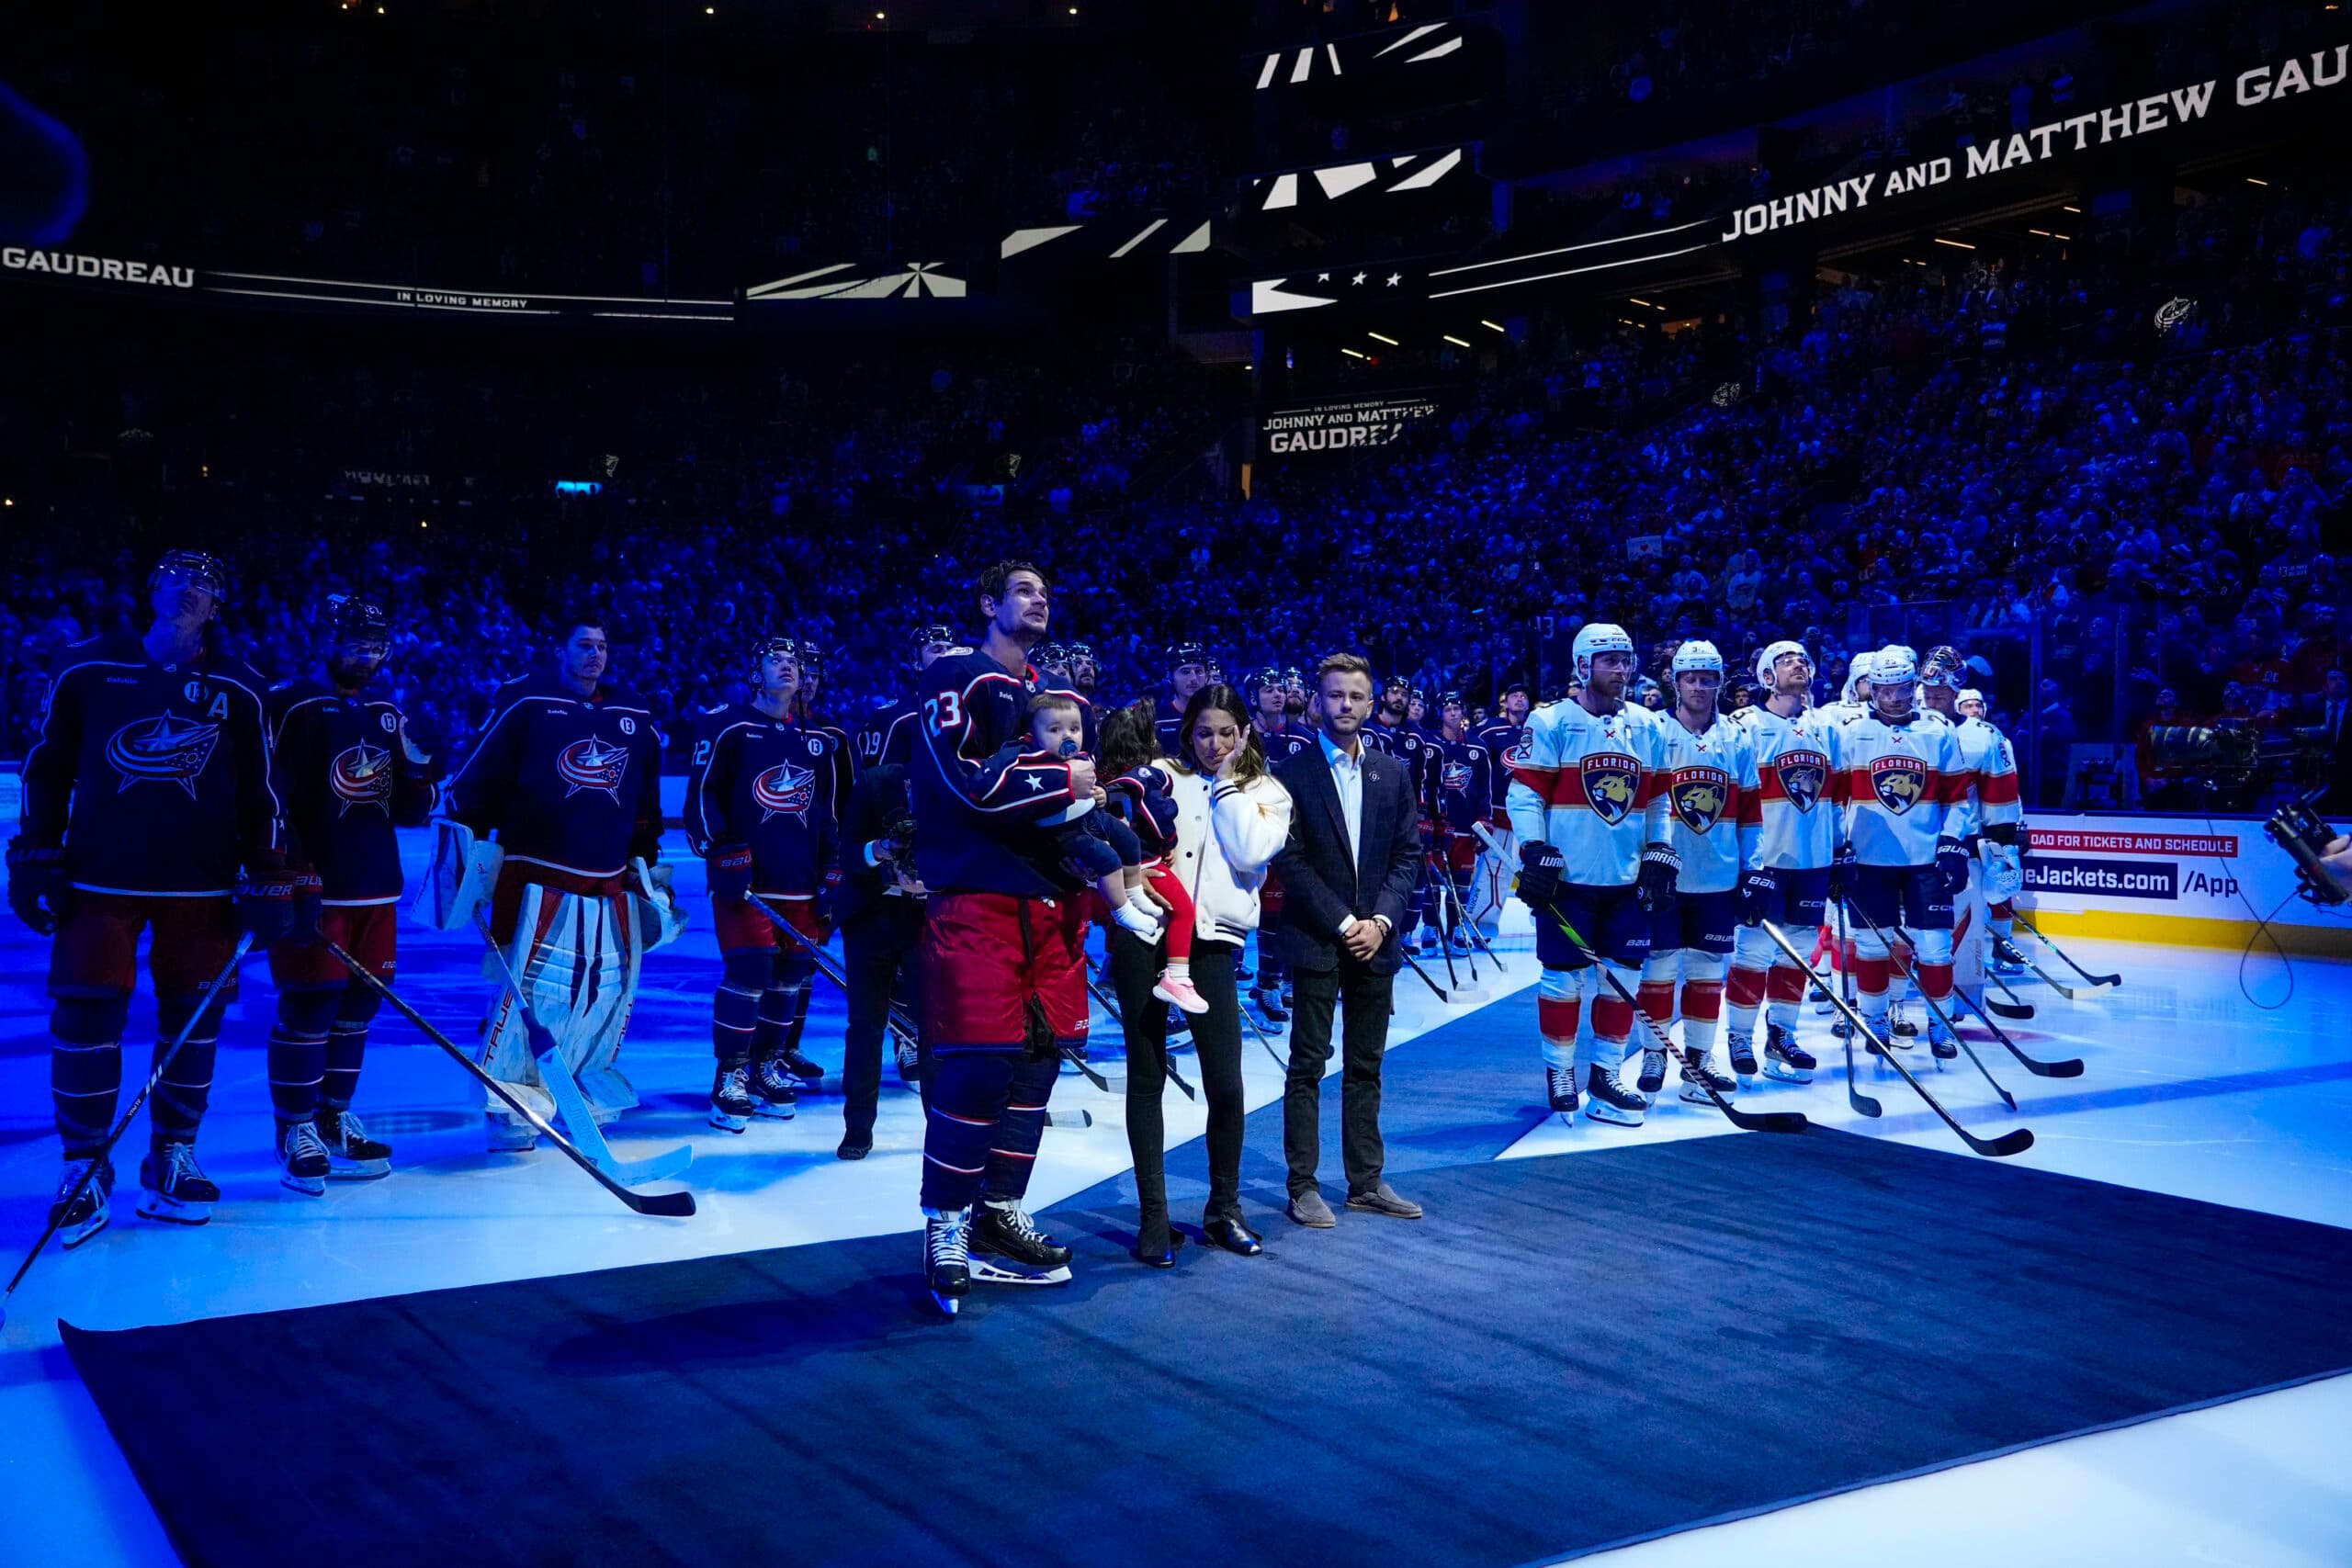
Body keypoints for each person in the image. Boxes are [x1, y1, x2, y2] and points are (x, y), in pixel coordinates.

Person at [11, 548, 307, 1241]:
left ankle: (172, 1154)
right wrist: (34, 849)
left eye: (203, 582)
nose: (186, 590)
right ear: (152, 589)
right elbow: (47, 767)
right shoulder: (85, 665)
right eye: (175, 578)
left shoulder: (241, 685)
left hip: (200, 885)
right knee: (85, 1018)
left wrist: (271, 869)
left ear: (219, 605)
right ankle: (83, 1165)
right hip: (97, 879)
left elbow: (263, 788)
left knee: (192, 1018)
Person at [910, 559, 1093, 1314]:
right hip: (978, 904)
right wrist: (1064, 781)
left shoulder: (1043, 695)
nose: (1040, 597)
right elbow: (965, 781)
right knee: (977, 1068)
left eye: (1046, 590)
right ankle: (945, 1223)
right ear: (988, 604)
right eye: (1023, 589)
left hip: (1049, 908)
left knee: (1038, 1065)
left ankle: (997, 1209)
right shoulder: (960, 672)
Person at [443, 615, 671, 1150]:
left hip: (607, 884)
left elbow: (646, 798)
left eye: (603, 647)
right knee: (532, 993)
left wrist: (645, 862)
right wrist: (467, 855)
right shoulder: (524, 702)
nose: (595, 655)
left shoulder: (633, 712)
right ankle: (512, 1104)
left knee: (600, 994)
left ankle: (579, 1089)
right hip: (534, 881)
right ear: (560, 650)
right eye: (584, 645)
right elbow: (474, 782)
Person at [262, 593, 439, 1192]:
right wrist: (288, 873)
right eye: (353, 643)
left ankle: (333, 1116)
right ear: (327, 641)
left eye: (373, 645)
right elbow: (271, 798)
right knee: (310, 1006)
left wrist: (419, 771)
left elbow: (410, 812)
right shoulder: (291, 703)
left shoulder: (387, 712)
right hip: (316, 887)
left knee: (359, 1009)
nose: (364, 655)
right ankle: (295, 1129)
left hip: (374, 887)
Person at [1113, 688, 1293, 1264]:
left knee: (1227, 1084)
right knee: (1146, 1077)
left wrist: (1233, 783)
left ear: (1244, 732)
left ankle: (1224, 1211)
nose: (1213, 744)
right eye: (1202, 733)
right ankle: (1153, 1219)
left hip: (1212, 946)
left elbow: (1247, 854)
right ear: (1186, 734)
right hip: (1144, 934)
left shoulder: (1268, 792)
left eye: (1224, 732)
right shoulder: (1160, 775)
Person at [1271, 653, 1425, 1227]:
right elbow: (1290, 861)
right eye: (1335, 696)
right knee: (1308, 1064)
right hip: (1317, 938)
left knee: (1367, 1064)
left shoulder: (1392, 772)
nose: (1345, 706)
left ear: (1370, 701)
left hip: (1377, 942)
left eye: (1356, 696)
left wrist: (1381, 922)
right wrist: (1344, 923)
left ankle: (1365, 1182)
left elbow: (1408, 856)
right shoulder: (1292, 774)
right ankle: (1302, 1185)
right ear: (1318, 700)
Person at [1504, 622, 1678, 1128]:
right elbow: (1526, 793)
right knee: (1562, 980)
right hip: (1569, 879)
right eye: (1610, 661)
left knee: (1622, 979)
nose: (1621, 670)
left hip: (1626, 881)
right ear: (1583, 666)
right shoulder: (1551, 720)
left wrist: (1659, 851)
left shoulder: (1648, 724)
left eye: (1626, 660)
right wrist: (1535, 848)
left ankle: (1605, 1074)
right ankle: (1560, 1071)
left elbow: (1657, 800)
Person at [684, 636, 844, 1133]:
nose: (788, 668)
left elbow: (830, 816)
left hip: (801, 885)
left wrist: (834, 872)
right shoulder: (726, 726)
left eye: (794, 662)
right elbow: (701, 797)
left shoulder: (818, 742)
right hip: (747, 885)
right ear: (755, 672)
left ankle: (766, 1064)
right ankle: (729, 1075)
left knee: (789, 981)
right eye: (776, 659)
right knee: (749, 975)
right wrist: (720, 849)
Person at [1015, 691, 1202, 1010]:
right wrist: (1169, 843)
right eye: (1056, 729)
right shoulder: (1142, 775)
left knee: (1121, 858)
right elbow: (1158, 820)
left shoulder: (1090, 766)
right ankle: (1177, 975)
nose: (1067, 736)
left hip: (1100, 864)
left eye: (1073, 728)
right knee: (1180, 911)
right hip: (1112, 859)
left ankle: (1117, 965)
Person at [1839, 647, 1980, 1059]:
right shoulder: (1852, 732)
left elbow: (1958, 799)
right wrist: (1838, 848)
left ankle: (1940, 1024)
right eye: (1886, 689)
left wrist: (1954, 842)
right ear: (1873, 689)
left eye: (1903, 688)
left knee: (1936, 947)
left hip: (1925, 862)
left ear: (1913, 685)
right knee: (1871, 947)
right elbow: (1834, 799)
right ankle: (1875, 1020)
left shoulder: (1937, 730)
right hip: (1869, 861)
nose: (1896, 697)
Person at [1634, 642, 1757, 1104]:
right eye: (1691, 678)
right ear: (1675, 681)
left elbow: (1749, 811)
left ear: (1719, 682)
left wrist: (1754, 869)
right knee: (1659, 968)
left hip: (1717, 877)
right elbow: (1643, 803)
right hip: (1664, 876)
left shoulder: (1738, 738)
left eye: (1708, 678)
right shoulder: (1653, 730)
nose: (1700, 687)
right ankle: (1653, 1053)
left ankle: (1700, 1061)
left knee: (1707, 973)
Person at [1724, 640, 1839, 1084]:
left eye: (1804, 660)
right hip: (1764, 860)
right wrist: (1741, 864)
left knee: (1797, 955)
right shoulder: (1746, 725)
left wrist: (1838, 850)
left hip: (1812, 861)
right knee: (1753, 950)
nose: (1800, 665)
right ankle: (1738, 1036)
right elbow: (1735, 798)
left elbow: (1834, 796)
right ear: (1767, 675)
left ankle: (1782, 1035)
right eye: (1788, 660)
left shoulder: (1825, 725)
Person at [1426, 691, 1492, 953]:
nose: (1454, 713)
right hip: (1438, 828)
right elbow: (1426, 785)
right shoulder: (1431, 744)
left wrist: (1484, 822)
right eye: (1448, 709)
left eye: (1457, 708)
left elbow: (1486, 789)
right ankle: (1431, 928)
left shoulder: (1477, 747)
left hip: (1466, 828)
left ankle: (1457, 929)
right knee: (1433, 884)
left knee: (1462, 885)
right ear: (1440, 713)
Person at [1154, 642, 1211, 755]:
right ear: (1170, 676)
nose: (1194, 678)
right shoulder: (1157, 720)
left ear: (1207, 675)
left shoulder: (1221, 715)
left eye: (1198, 671)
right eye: (1185, 672)